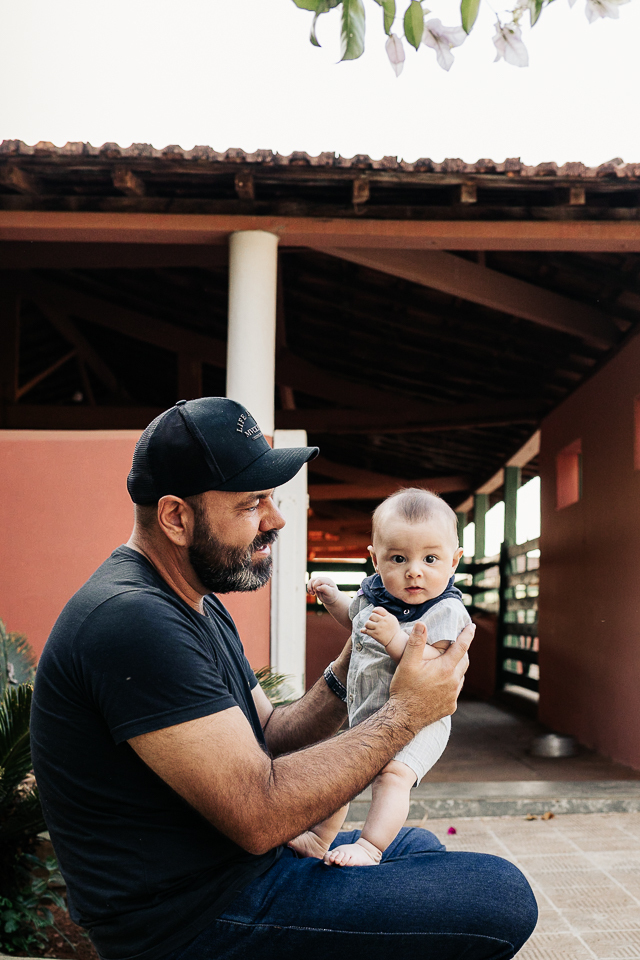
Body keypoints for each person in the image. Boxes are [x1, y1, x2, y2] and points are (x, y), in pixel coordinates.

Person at [31, 397, 538, 960]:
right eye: (253, 503)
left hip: (237, 867)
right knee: (499, 895)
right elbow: (258, 814)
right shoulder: (131, 621)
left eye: (271, 498)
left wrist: (358, 658)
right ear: (176, 517)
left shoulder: (197, 602)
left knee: (416, 845)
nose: (276, 519)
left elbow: (271, 734)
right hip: (191, 920)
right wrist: (406, 712)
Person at [294, 487, 470, 867]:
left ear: (454, 561)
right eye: (398, 558)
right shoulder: (375, 596)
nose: (414, 571)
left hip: (420, 721)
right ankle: (318, 838)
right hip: (368, 715)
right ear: (376, 560)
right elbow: (356, 621)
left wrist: (394, 639)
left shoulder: (446, 610)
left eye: (430, 558)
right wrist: (333, 598)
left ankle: (371, 846)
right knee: (340, 772)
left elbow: (435, 665)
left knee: (392, 776)